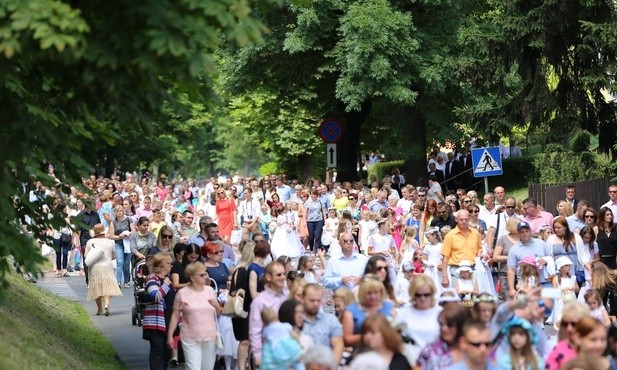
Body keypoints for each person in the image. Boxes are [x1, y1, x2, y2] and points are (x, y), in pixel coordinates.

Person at [166, 261, 222, 370]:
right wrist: (170, 336)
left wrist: (217, 306)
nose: (205, 277)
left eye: (206, 274)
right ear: (192, 278)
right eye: (202, 275)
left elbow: (218, 312)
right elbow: (175, 315)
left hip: (209, 336)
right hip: (190, 337)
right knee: (193, 367)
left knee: (207, 368)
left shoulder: (210, 291)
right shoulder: (182, 293)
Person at [249, 261, 289, 367]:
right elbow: (255, 331)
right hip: (269, 353)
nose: (283, 277)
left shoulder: (288, 296)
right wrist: (258, 356)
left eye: (284, 274)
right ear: (268, 277)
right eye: (279, 274)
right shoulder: (260, 302)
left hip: (289, 351)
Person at [143, 252, 174, 370]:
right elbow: (155, 296)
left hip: (168, 321)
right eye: (169, 264)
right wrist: (165, 285)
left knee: (167, 353)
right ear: (161, 265)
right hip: (156, 322)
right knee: (157, 352)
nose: (171, 266)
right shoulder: (152, 278)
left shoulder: (168, 279)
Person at [506, 221, 553, 299]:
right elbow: (511, 270)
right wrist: (511, 289)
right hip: (525, 284)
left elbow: (552, 257)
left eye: (527, 231)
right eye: (522, 232)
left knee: (546, 309)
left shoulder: (541, 243)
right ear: (518, 233)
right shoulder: (514, 249)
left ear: (530, 231)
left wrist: (546, 260)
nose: (525, 234)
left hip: (543, 282)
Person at [416, 302, 469, 370]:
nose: (444, 328)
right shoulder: (430, 350)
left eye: (449, 324)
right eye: (441, 324)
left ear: (460, 326)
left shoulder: (473, 348)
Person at [84, 223, 122, 315]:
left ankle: (99, 309)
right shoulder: (110, 242)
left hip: (95, 267)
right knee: (108, 286)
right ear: (104, 232)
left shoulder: (90, 242)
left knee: (96, 287)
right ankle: (107, 303)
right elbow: (113, 256)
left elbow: (86, 255)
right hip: (107, 266)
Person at [302, 284, 345, 365]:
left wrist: (333, 367)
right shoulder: (295, 320)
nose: (315, 304)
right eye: (311, 300)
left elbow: (338, 346)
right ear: (302, 298)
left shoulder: (331, 320)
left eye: (318, 301)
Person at [396, 275, 443, 349]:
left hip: (435, 356)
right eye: (418, 295)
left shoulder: (441, 313)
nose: (423, 298)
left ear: (432, 294)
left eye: (426, 295)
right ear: (413, 295)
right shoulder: (403, 313)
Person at [441, 210, 482, 288]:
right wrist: (444, 277)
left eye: (466, 219)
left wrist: (480, 257)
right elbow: (445, 257)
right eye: (461, 219)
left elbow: (479, 249)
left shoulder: (476, 233)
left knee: (474, 296)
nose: (464, 221)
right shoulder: (450, 235)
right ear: (456, 219)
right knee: (458, 297)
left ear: (469, 219)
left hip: (472, 269)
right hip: (456, 270)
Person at [545, 301, 590, 370]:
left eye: (573, 324)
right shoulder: (558, 349)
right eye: (565, 324)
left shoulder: (594, 345)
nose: (569, 328)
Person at [547, 217, 585, 285]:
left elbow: (582, 254)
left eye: (559, 228)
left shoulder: (576, 237)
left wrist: (588, 268)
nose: (556, 230)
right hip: (559, 272)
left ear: (565, 227)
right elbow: (549, 255)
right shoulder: (551, 239)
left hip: (574, 270)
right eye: (555, 228)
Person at [492, 217, 521, 301]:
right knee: (508, 298)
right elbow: (495, 257)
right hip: (505, 273)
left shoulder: (524, 239)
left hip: (522, 273)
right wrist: (511, 257)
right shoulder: (503, 239)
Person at [107, 204, 133, 288]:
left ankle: (126, 281)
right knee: (120, 262)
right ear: (115, 212)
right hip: (119, 243)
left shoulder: (128, 219)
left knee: (126, 264)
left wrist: (128, 234)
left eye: (121, 210)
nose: (120, 212)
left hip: (128, 243)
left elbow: (134, 231)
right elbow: (110, 235)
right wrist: (119, 236)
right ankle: (118, 281)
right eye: (118, 211)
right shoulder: (113, 222)